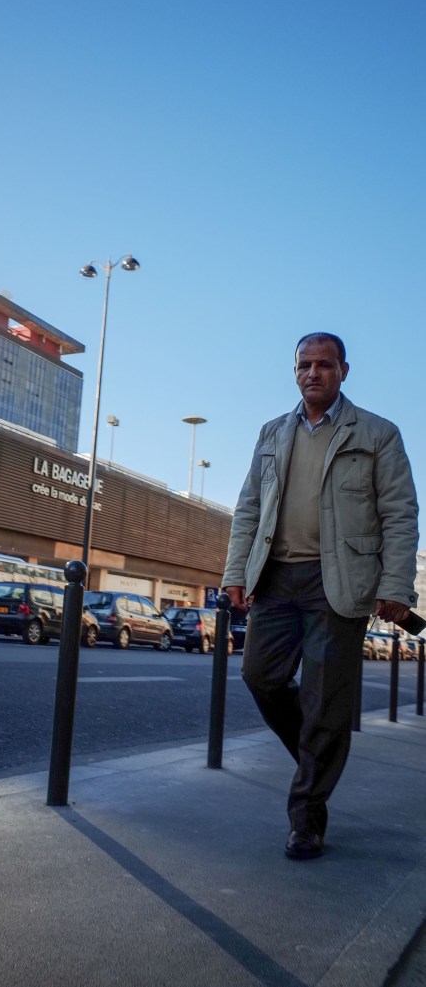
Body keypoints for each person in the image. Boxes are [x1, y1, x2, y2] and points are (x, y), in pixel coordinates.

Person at [222, 332, 418, 860]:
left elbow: (400, 515)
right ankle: (317, 760)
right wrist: (234, 572)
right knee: (259, 676)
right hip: (277, 579)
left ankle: (306, 817)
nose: (314, 373)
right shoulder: (272, 432)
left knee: (326, 699)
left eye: (324, 365)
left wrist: (397, 586)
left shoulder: (378, 433)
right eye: (305, 364)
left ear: (343, 371)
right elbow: (247, 509)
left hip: (340, 582)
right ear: (295, 370)